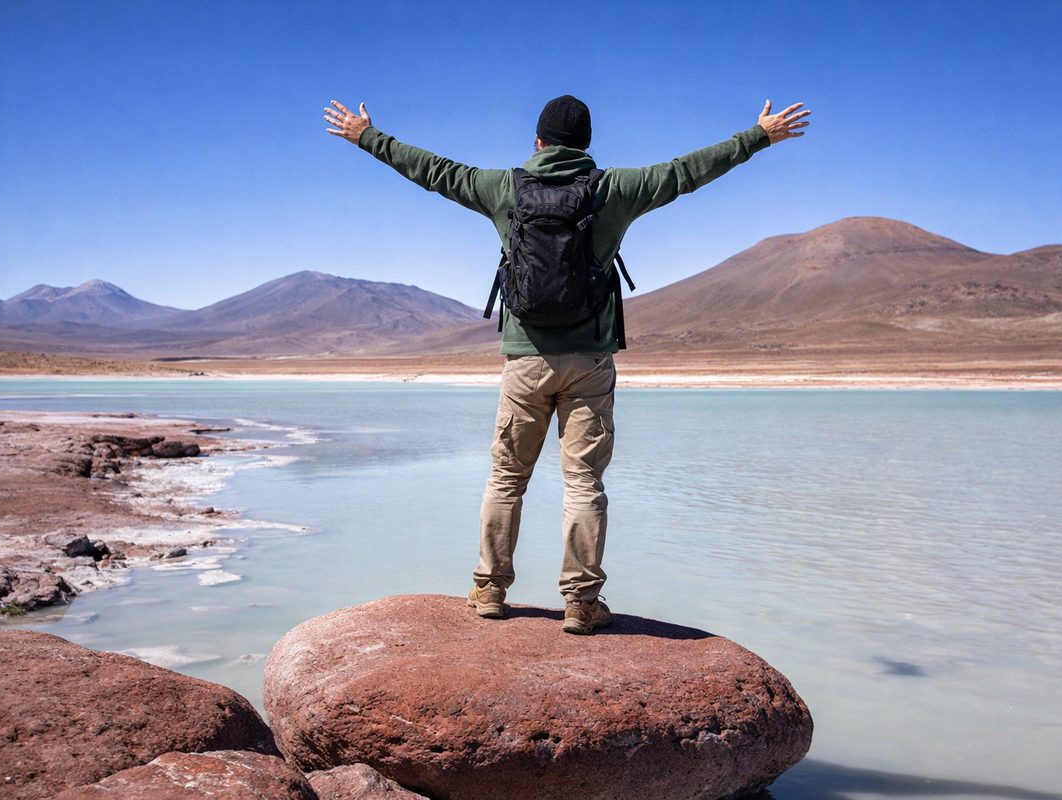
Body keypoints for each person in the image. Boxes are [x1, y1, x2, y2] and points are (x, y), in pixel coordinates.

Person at [323, 94, 810, 634]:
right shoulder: (614, 190)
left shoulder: (501, 187)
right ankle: (580, 601)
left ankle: (489, 588)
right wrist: (758, 136)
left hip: (524, 362)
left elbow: (433, 171)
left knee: (507, 477)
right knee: (584, 483)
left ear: (537, 142)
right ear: (586, 144)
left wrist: (367, 136)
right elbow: (685, 173)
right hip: (589, 364)